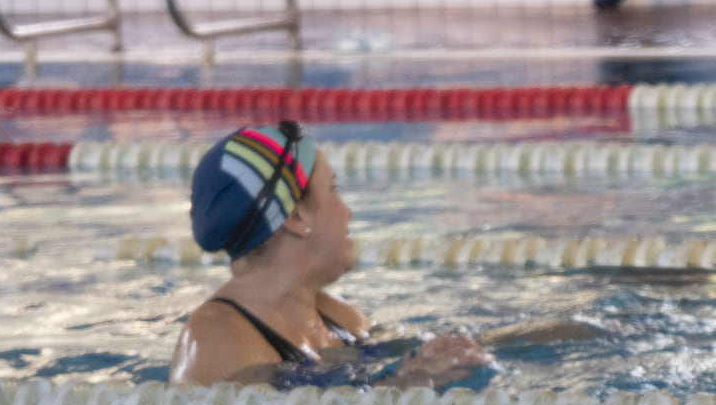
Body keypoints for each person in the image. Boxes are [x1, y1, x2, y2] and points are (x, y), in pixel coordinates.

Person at [169, 122, 501, 389]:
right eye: (333, 189)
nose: (347, 212)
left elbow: (430, 348)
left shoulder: (336, 317)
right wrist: (403, 384)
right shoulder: (216, 340)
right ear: (296, 216)